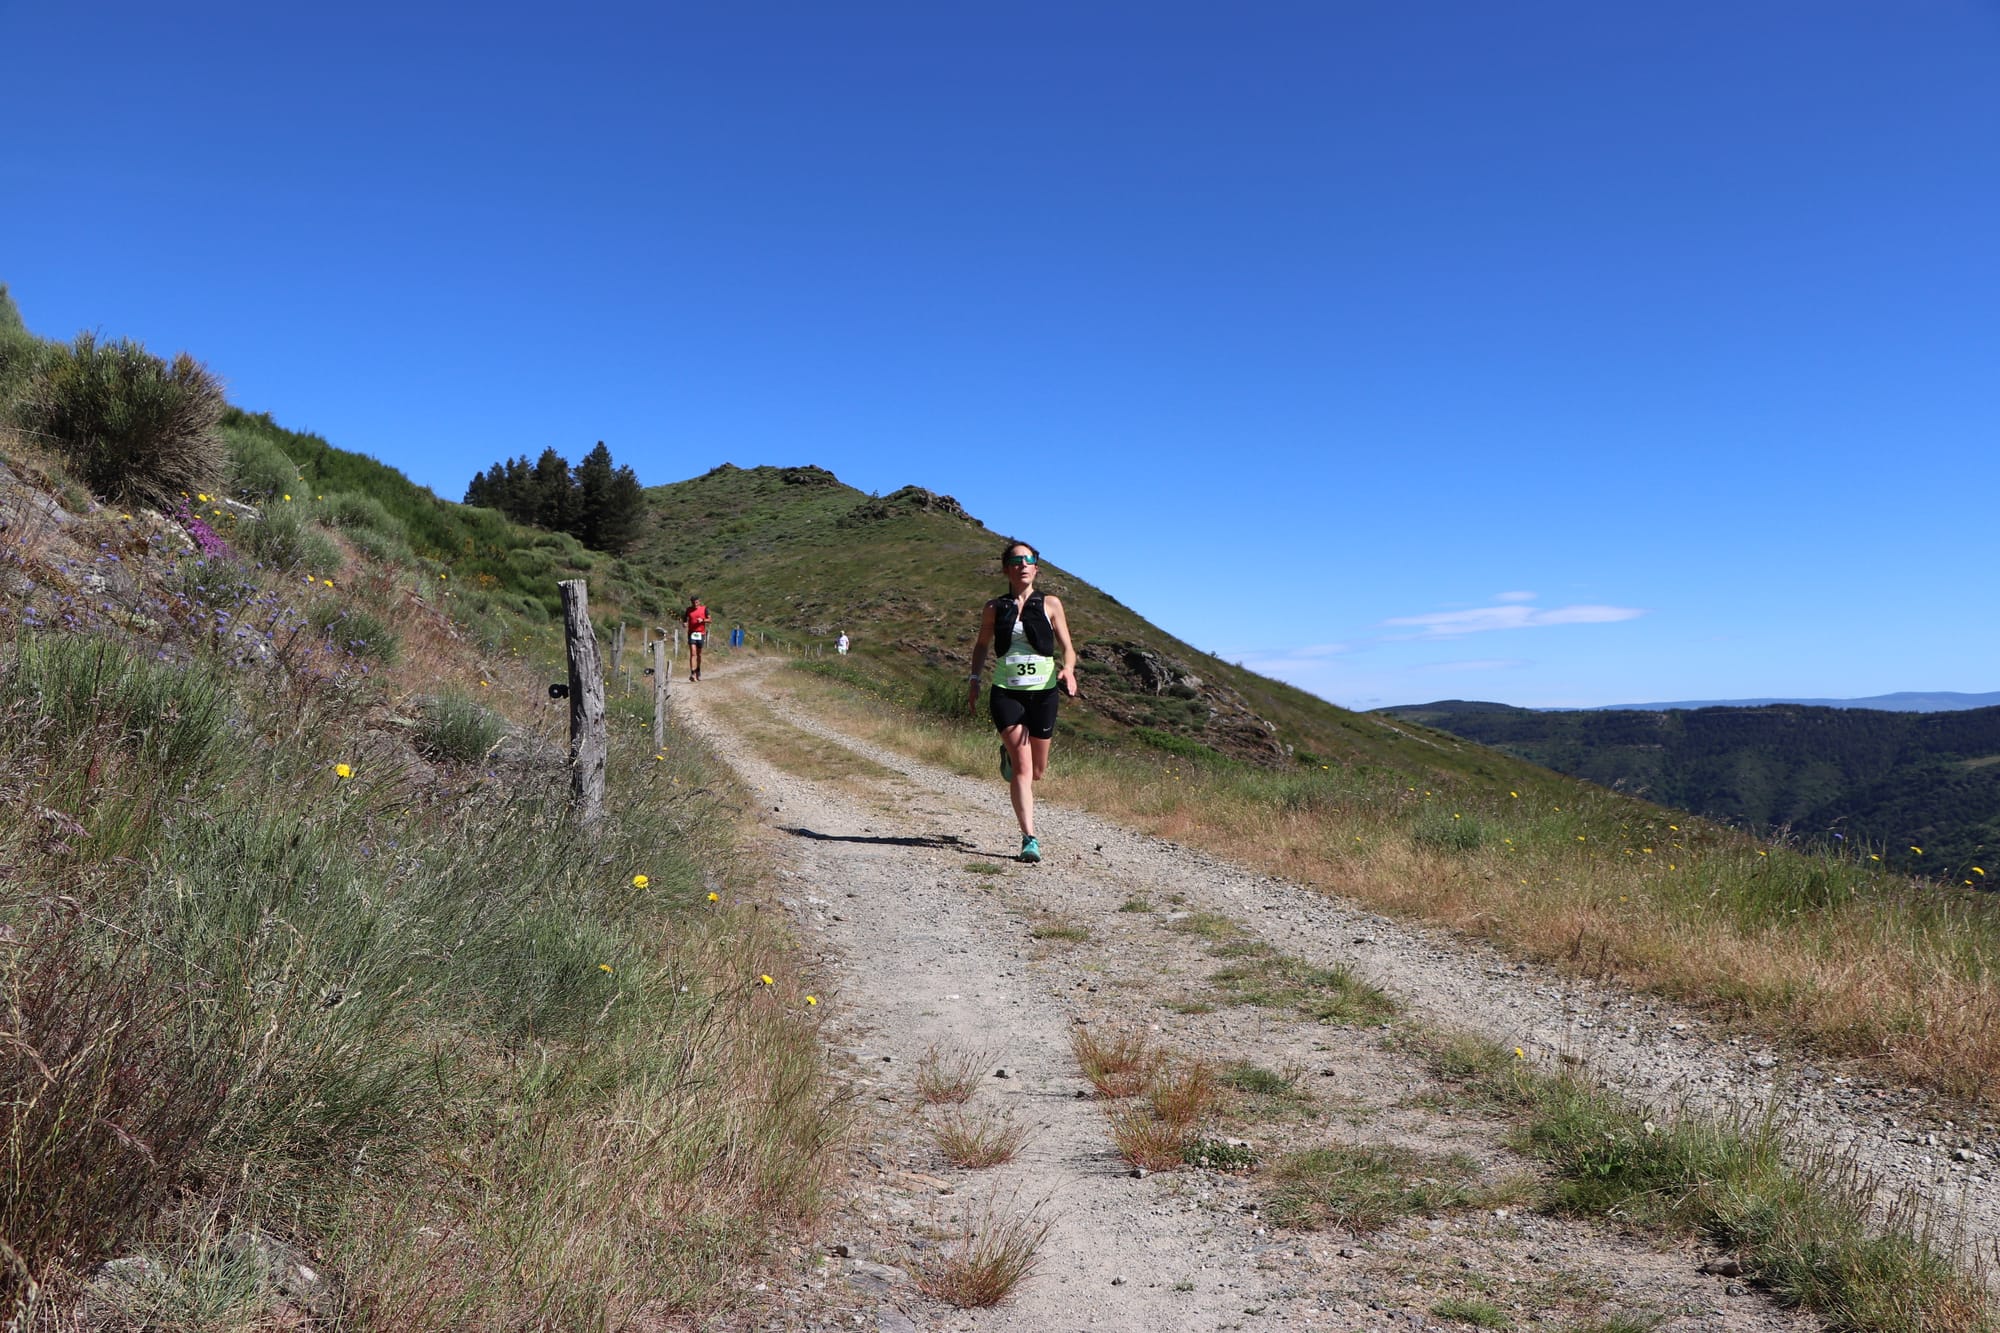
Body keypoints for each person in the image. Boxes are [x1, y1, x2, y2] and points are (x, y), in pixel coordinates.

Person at [966, 538, 1078, 863]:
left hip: (1043, 693)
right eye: (1017, 560)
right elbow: (981, 646)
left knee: (1038, 771)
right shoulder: (994, 607)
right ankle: (1030, 839)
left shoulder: (1051, 604)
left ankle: (1011, 757)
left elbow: (1068, 647)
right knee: (1023, 768)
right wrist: (974, 679)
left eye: (1029, 560)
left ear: (1036, 568)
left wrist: (1068, 670)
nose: (1023, 565)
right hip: (1006, 692)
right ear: (1007, 569)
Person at [683, 596, 709, 681]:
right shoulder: (688, 610)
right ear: (691, 602)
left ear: (699, 601)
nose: (695, 604)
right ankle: (692, 673)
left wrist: (703, 620)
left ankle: (698, 671)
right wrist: (685, 623)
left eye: (696, 602)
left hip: (701, 633)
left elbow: (710, 619)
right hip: (692, 633)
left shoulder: (704, 609)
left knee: (699, 654)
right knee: (693, 654)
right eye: (693, 602)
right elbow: (685, 619)